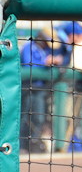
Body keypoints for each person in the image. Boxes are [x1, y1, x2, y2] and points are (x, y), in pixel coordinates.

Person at [20, 25, 58, 153]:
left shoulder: (44, 50)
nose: (47, 46)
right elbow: (27, 64)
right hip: (27, 88)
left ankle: (33, 144)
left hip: (40, 89)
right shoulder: (28, 46)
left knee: (39, 117)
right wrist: (45, 63)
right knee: (24, 117)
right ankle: (22, 146)